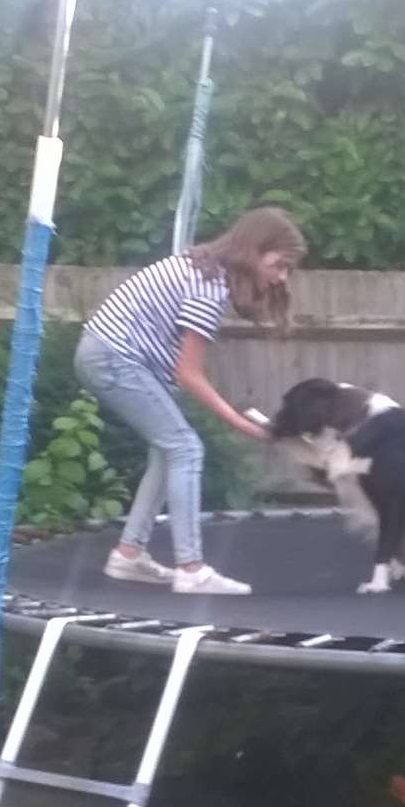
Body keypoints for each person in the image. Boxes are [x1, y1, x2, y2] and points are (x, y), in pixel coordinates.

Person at [73, 206, 306, 594]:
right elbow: (189, 373)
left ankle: (128, 555)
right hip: (112, 357)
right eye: (280, 264)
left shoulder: (204, 269)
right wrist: (244, 425)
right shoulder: (209, 284)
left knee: (169, 451)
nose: (281, 276)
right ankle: (191, 569)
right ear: (254, 250)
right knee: (186, 449)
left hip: (107, 354)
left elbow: (179, 367)